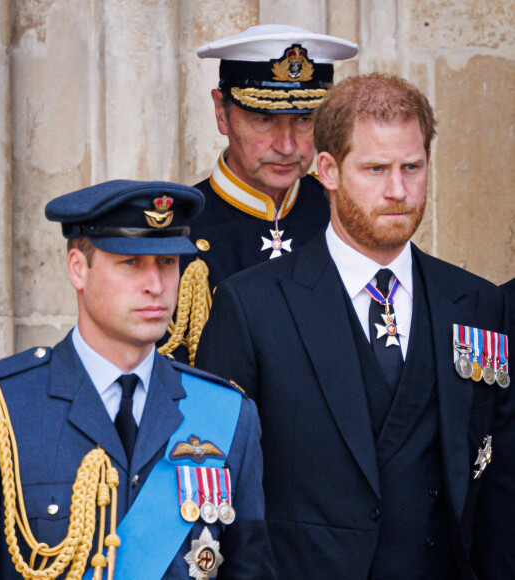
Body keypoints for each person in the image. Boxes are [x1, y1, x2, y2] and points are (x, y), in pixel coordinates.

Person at [196, 74, 514, 578]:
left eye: (412, 167)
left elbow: (500, 493)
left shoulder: (475, 303)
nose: (398, 190)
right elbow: (216, 487)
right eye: (375, 169)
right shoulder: (254, 306)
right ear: (328, 170)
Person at [0, 180, 274, 579]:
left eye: (167, 263)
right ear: (78, 268)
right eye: (131, 262)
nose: (156, 285)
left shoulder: (227, 414)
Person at [160, 25, 358, 363]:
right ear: (222, 113)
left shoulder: (345, 211)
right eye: (265, 119)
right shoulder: (175, 229)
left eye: (305, 119)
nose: (287, 146)